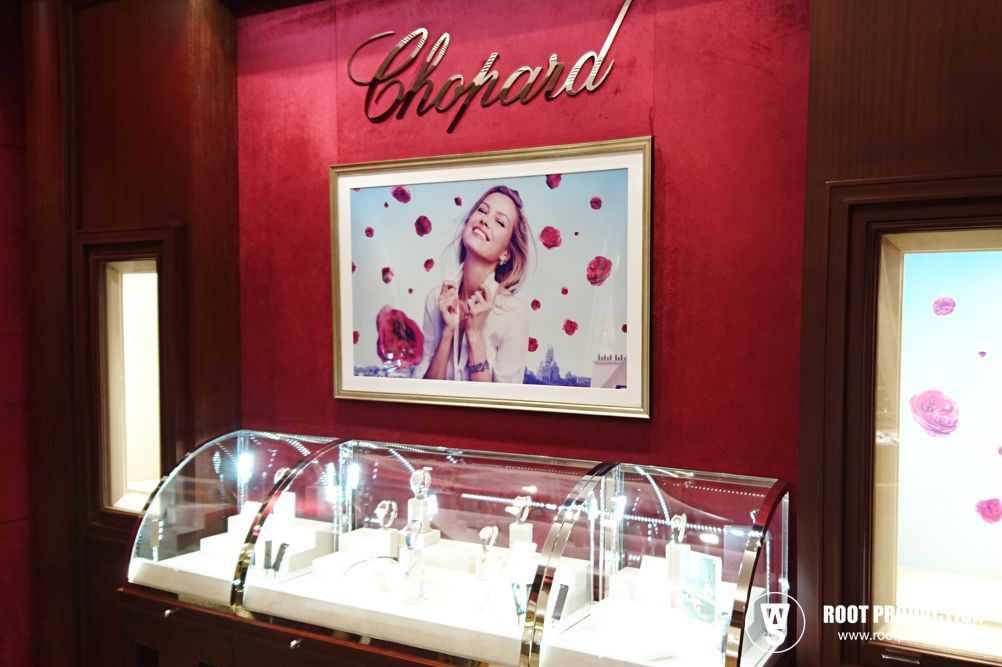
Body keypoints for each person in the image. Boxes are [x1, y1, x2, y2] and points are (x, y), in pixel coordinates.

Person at [414, 185, 532, 383]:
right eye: (482, 210)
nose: (485, 220)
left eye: (500, 222)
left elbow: (499, 410)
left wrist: (475, 334)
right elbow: (424, 397)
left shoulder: (514, 314)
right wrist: (447, 332)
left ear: (506, 253)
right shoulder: (435, 299)